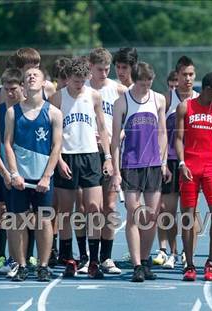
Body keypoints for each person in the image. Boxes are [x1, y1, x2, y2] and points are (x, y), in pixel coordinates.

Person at [51, 57, 112, 279]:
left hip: (90, 157)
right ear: (67, 78)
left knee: (94, 209)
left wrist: (107, 157)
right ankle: (69, 259)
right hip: (67, 156)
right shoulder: (57, 98)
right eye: (75, 80)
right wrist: (58, 160)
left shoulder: (94, 96)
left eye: (82, 80)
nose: (78, 84)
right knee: (66, 212)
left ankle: (93, 260)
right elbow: (52, 135)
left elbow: (103, 129)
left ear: (87, 77)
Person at [111, 62, 168, 282]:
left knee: (151, 217)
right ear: (135, 80)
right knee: (134, 216)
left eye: (149, 82)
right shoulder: (122, 102)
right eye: (142, 82)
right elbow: (115, 140)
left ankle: (145, 260)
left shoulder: (158, 99)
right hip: (131, 164)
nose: (146, 85)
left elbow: (162, 132)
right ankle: (136, 264)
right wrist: (116, 171)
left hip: (153, 165)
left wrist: (162, 161)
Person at [4, 68, 62, 281]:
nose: (30, 77)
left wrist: (47, 176)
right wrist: (14, 173)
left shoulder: (54, 112)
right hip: (20, 178)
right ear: (24, 84)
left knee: (44, 221)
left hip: (42, 178)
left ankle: (43, 265)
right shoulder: (13, 112)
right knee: (18, 221)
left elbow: (56, 146)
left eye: (35, 74)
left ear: (44, 82)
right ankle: (21, 265)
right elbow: (7, 144)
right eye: (27, 75)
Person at [175, 72, 212, 282]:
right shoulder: (185, 107)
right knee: (188, 217)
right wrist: (181, 163)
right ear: (207, 90)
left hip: (210, 167)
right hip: (189, 166)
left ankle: (211, 262)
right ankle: (189, 264)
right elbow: (178, 139)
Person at [153, 56, 199, 269]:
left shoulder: (200, 100)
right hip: (171, 162)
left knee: (190, 212)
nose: (188, 79)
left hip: (193, 163)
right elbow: (159, 132)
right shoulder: (166, 100)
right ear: (177, 76)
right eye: (184, 75)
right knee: (167, 210)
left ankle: (187, 252)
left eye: (191, 75)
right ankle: (171, 251)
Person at [87, 47, 127, 274]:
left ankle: (106, 257)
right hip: (89, 152)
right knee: (92, 207)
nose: (103, 73)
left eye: (107, 69)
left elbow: (131, 120)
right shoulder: (82, 89)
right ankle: (89, 257)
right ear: (90, 67)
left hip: (112, 151)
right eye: (99, 69)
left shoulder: (119, 90)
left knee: (110, 207)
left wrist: (120, 134)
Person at [0, 68, 26, 275]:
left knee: (28, 215)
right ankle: (11, 259)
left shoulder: (31, 109)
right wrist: (4, 172)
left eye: (13, 89)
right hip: (4, 173)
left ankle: (26, 257)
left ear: (22, 87)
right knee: (8, 215)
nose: (10, 93)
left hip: (27, 172)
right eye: (6, 89)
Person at [48, 56, 72, 267]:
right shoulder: (53, 98)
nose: (64, 82)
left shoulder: (73, 96)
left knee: (66, 206)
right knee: (53, 205)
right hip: (53, 156)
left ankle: (63, 247)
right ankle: (52, 247)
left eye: (67, 78)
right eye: (61, 79)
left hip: (71, 155)